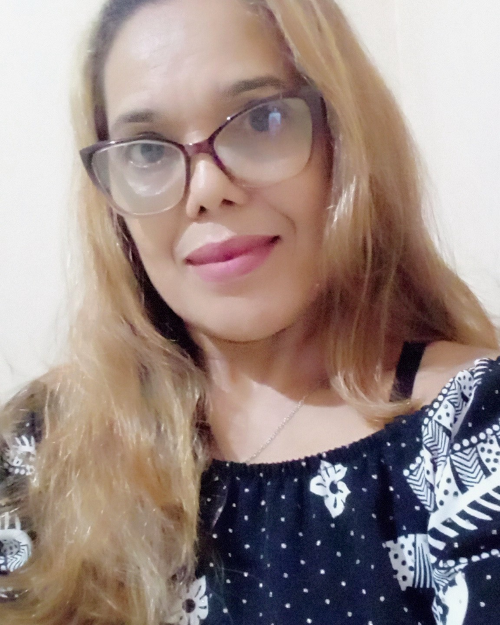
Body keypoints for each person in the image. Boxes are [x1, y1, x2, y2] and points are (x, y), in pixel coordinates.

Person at [1, 0, 499, 623]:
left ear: (344, 140)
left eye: (262, 119)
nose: (207, 189)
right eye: (147, 151)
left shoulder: (471, 431)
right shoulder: (43, 446)